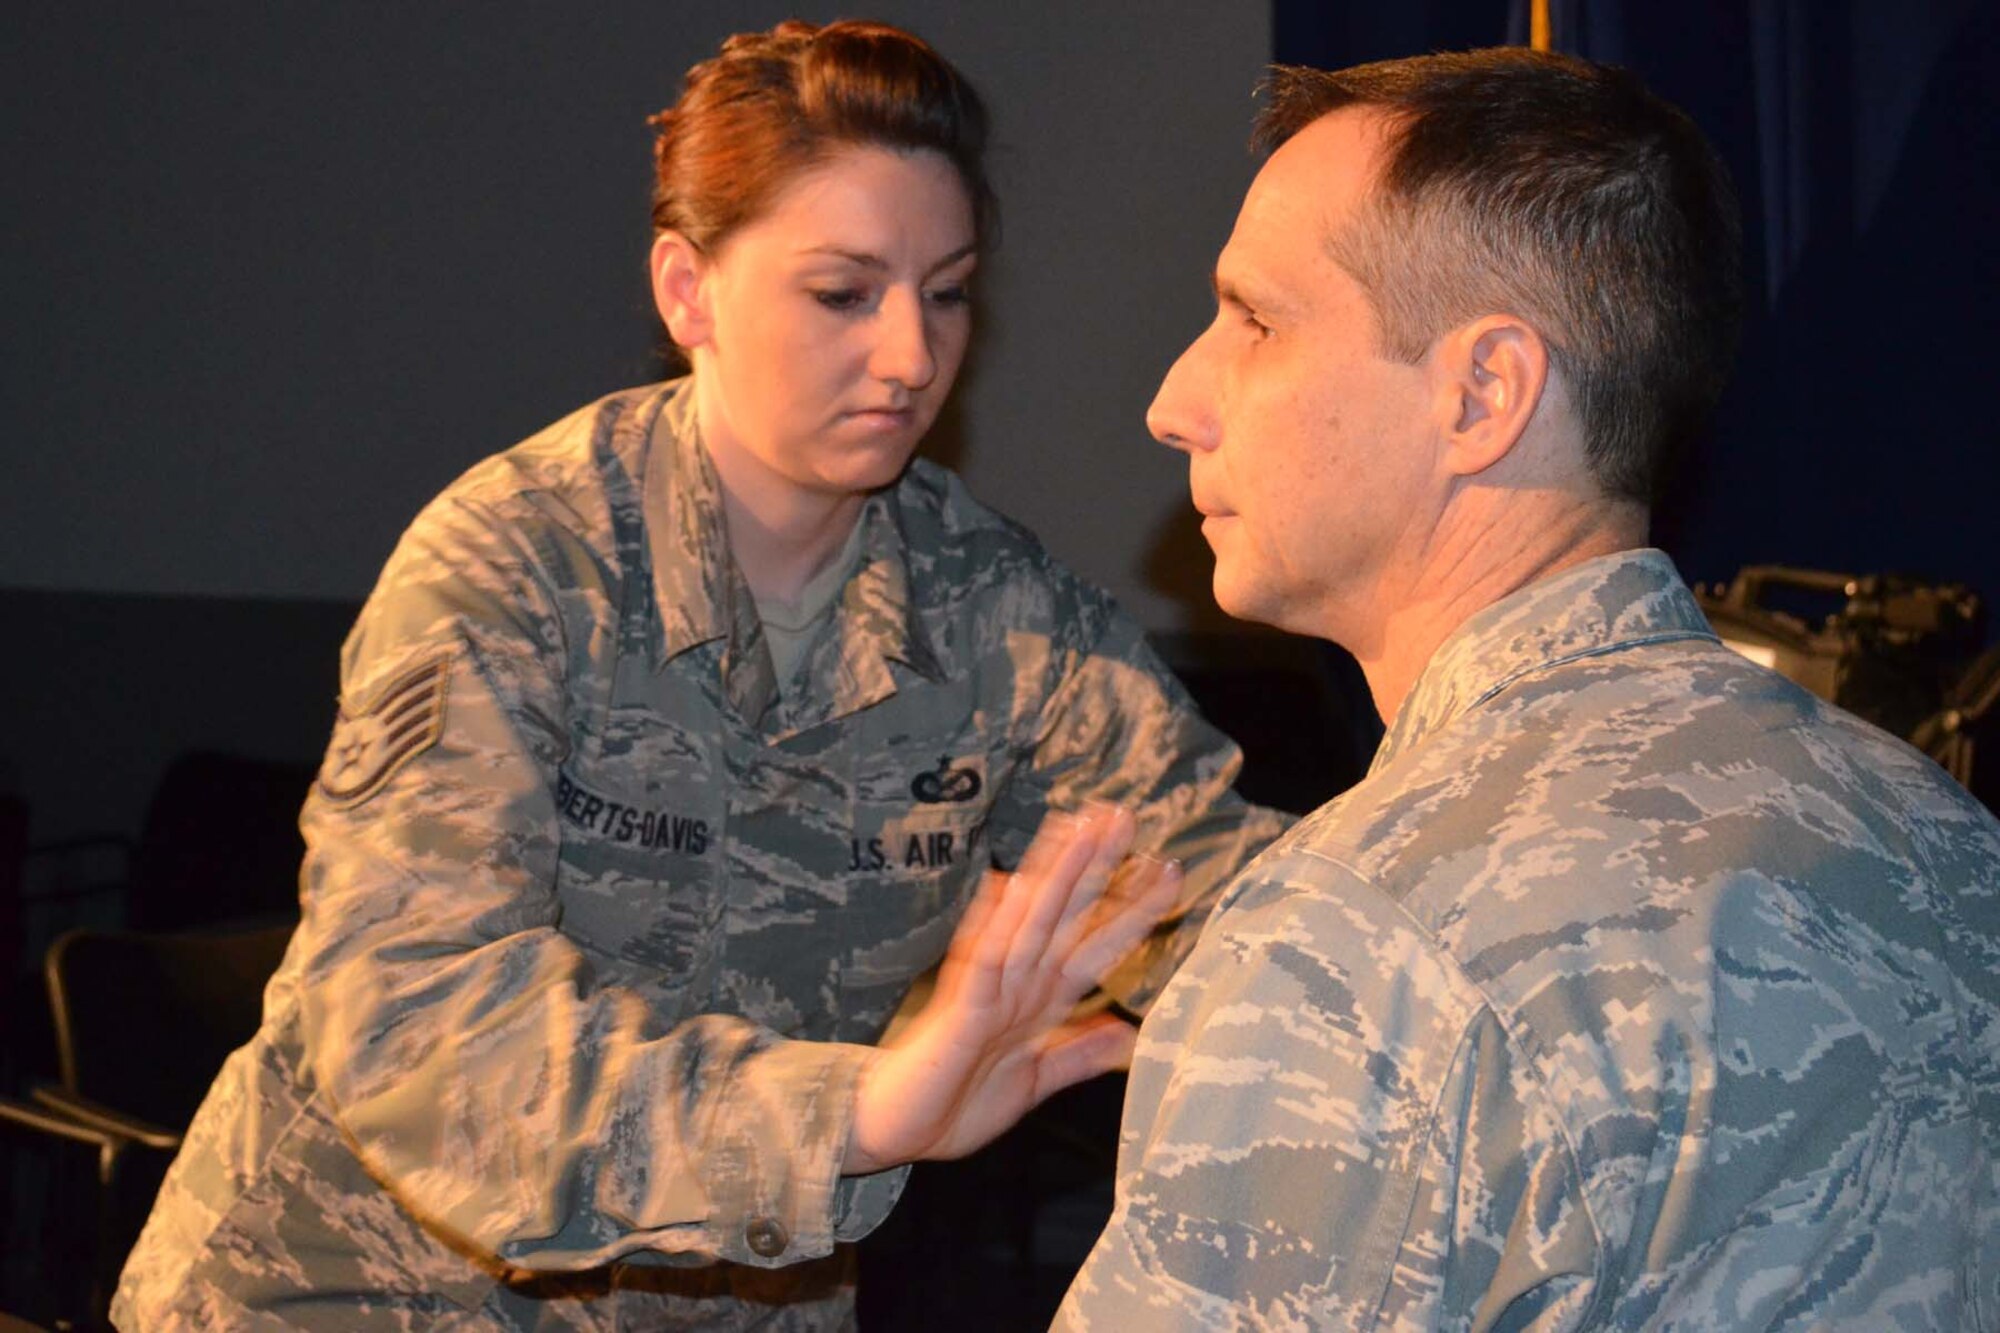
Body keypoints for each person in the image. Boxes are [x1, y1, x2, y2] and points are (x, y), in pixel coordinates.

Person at [113, 20, 1287, 1330]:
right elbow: (421, 1026)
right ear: (688, 292)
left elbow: (1220, 890)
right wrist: (855, 1108)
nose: (911, 355)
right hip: (356, 1295)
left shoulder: (992, 613)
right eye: (844, 292)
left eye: (946, 290)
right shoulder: (517, 568)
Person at [1057, 47, 2000, 1330]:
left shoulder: (1360, 940)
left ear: (1481, 394)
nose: (1177, 400)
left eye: (1256, 319)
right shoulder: (1946, 842)